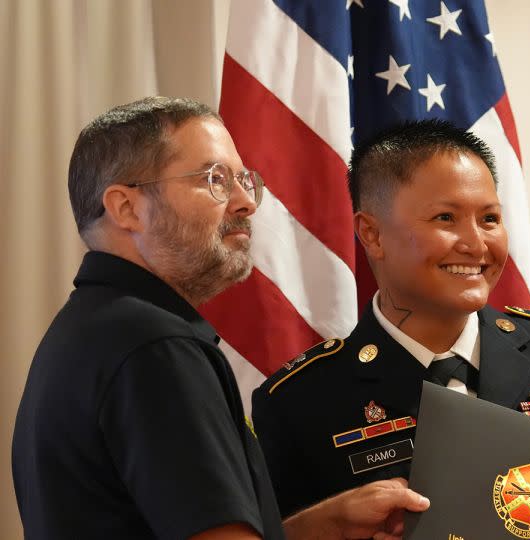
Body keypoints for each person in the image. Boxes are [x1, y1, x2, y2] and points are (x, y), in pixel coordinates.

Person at [251, 119, 530, 540]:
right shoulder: (299, 401)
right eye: (445, 218)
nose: (476, 244)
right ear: (372, 234)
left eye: (490, 218)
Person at [12, 96, 428, 540]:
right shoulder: (154, 346)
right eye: (215, 179)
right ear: (127, 208)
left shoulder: (89, 331)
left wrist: (326, 526)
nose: (246, 202)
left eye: (244, 180)